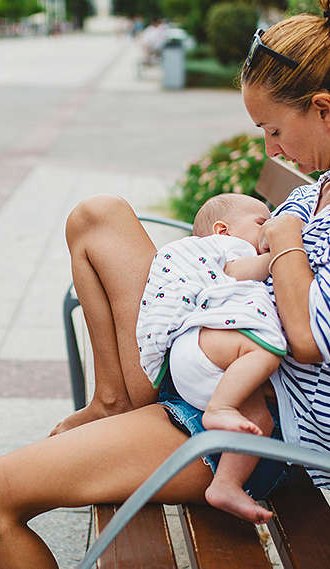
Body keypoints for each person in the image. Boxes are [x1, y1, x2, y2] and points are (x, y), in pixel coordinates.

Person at [0, 1, 330, 566]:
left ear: (323, 109)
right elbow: (251, 259)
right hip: (218, 371)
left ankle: (125, 405)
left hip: (260, 431)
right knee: (98, 216)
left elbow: (312, 340)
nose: (271, 149)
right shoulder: (325, 187)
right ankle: (114, 401)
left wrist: (286, 235)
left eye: (273, 129)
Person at [136, 192, 287, 522]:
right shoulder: (228, 248)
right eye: (261, 222)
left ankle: (226, 484)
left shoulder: (226, 243)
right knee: (262, 352)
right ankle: (220, 408)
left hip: (209, 373)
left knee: (259, 422)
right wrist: (281, 252)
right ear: (222, 231)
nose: (268, 228)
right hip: (204, 350)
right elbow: (238, 272)